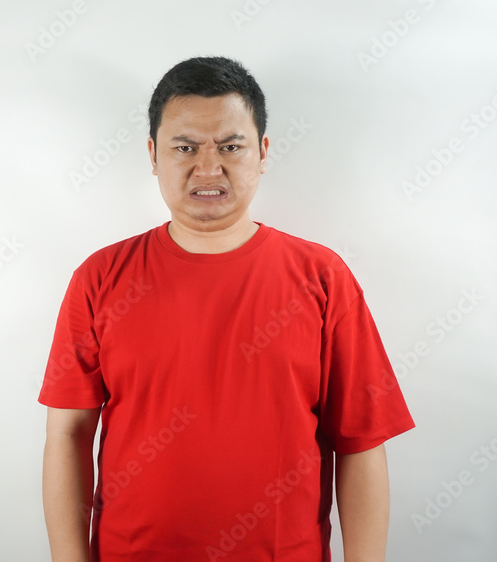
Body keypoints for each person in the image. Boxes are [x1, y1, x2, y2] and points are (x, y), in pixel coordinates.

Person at [40, 56, 415, 561]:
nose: (208, 168)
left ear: (261, 152)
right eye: (185, 147)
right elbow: (68, 435)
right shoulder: (100, 278)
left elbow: (361, 442)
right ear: (153, 154)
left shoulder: (324, 279)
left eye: (230, 147)